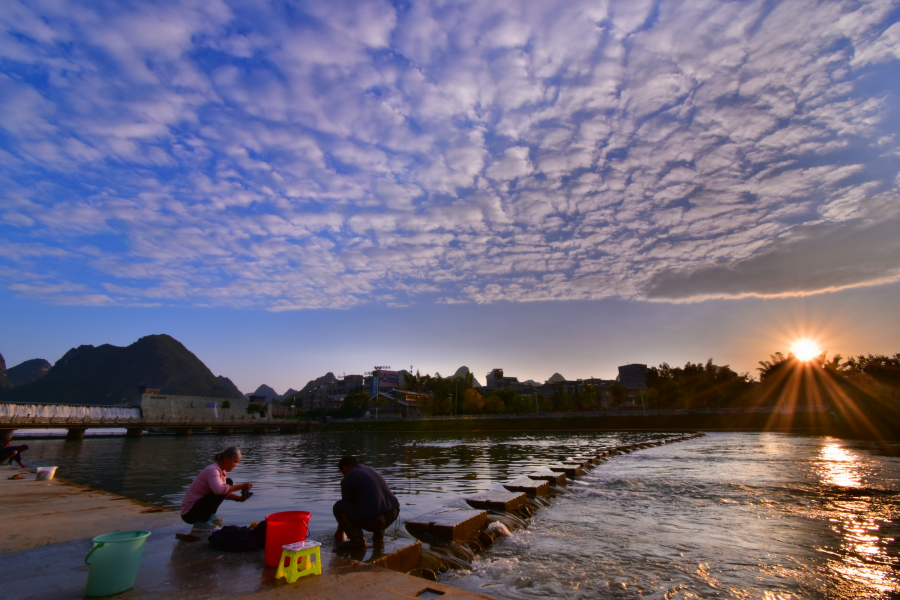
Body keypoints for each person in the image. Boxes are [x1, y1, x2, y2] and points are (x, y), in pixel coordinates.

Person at [333, 456, 400, 551]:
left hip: (377, 520)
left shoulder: (348, 478)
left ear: (345, 468)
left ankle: (358, 542)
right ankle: (378, 538)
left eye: (343, 473)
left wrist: (339, 532)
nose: (344, 475)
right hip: (393, 513)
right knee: (374, 503)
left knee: (338, 507)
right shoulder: (370, 470)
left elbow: (345, 510)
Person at [180, 447, 252, 531]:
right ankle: (201, 522)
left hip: (196, 510)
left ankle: (209, 515)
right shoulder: (213, 470)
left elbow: (225, 493)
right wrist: (242, 486)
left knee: (228, 483)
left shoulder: (222, 471)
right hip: (189, 514)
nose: (235, 465)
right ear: (226, 459)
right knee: (225, 485)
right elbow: (219, 490)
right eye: (234, 462)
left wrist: (239, 498)